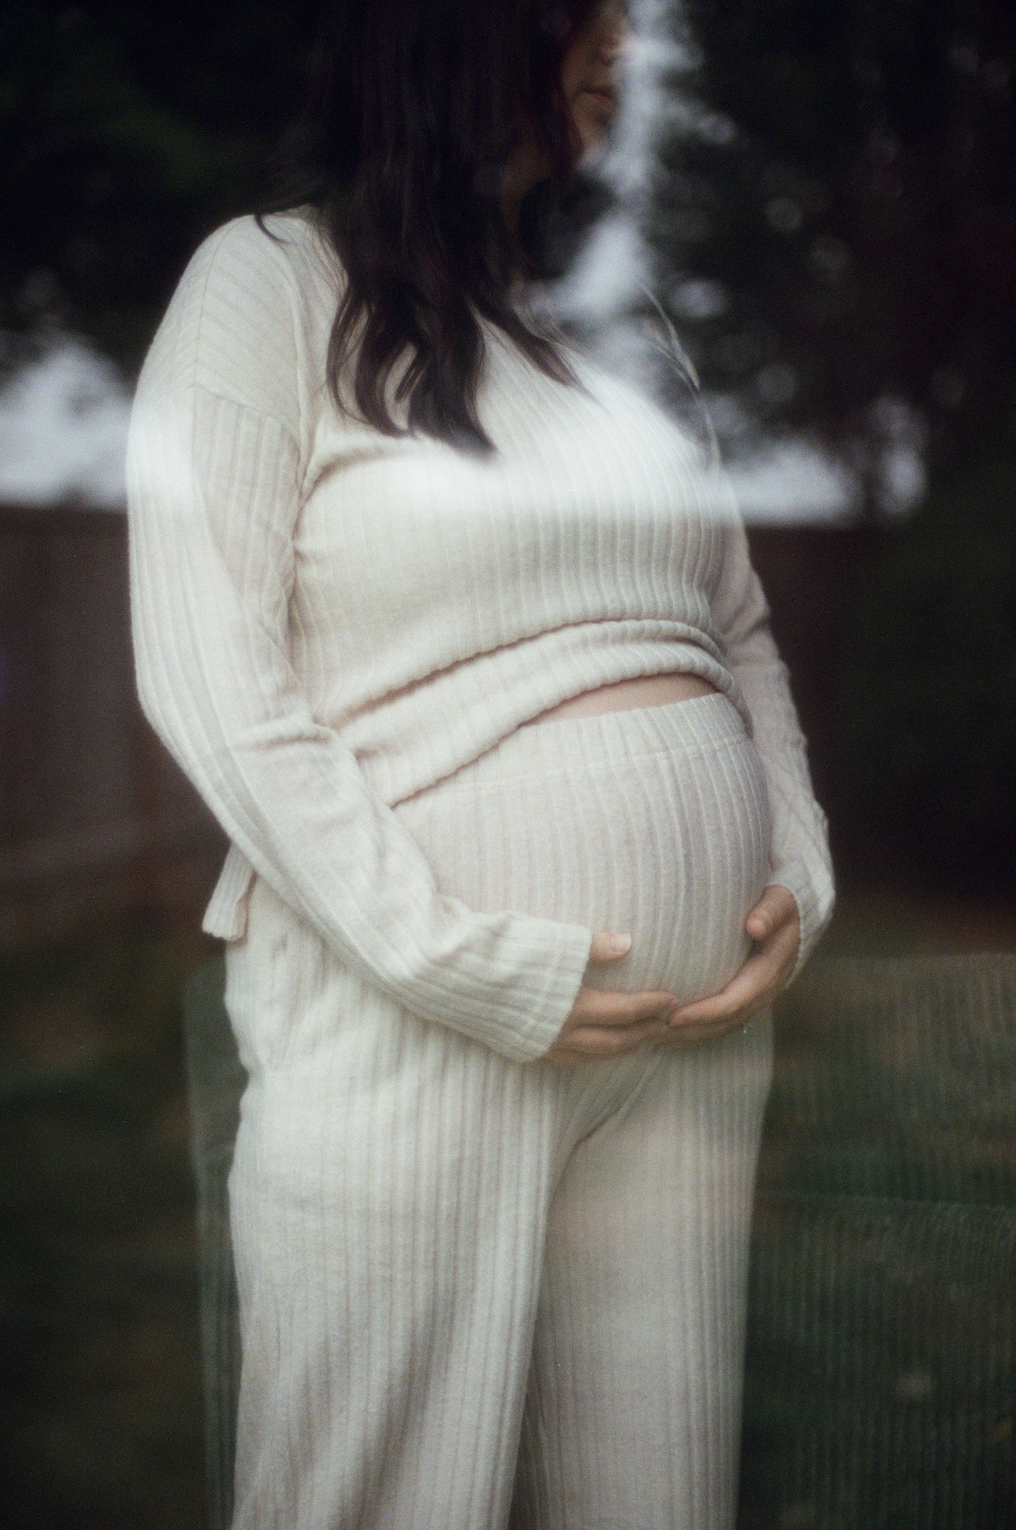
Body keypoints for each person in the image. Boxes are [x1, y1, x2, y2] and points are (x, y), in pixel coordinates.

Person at [127, 1, 834, 1525]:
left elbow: (739, 632)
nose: (626, 41)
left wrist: (798, 868)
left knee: (656, 1498)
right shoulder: (267, 286)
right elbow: (212, 681)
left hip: (690, 1048)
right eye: (587, 6)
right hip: (423, 1026)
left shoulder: (624, 336)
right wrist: (461, 962)